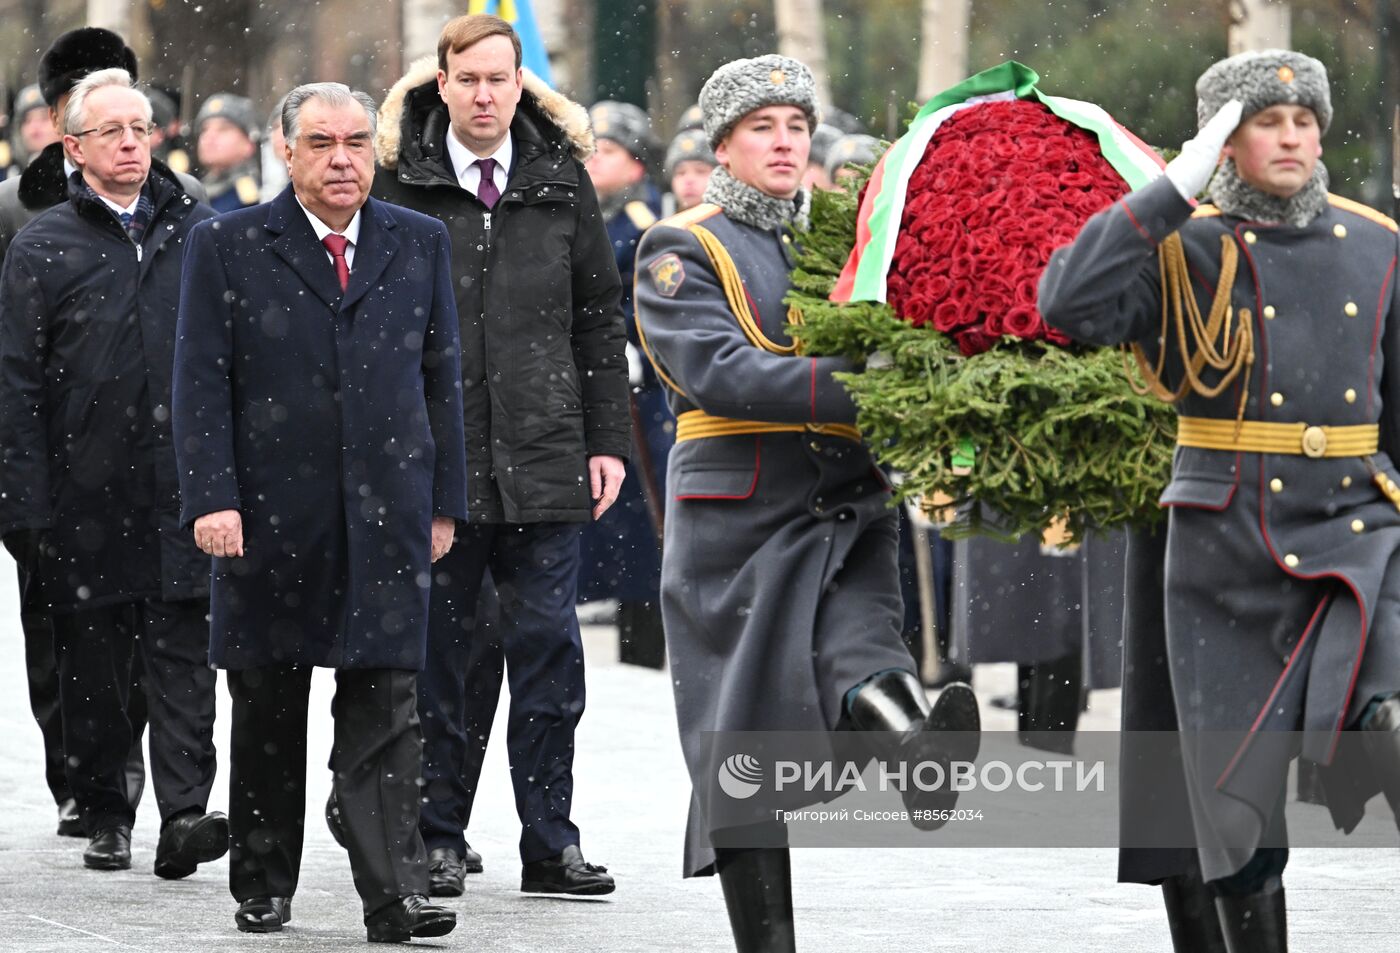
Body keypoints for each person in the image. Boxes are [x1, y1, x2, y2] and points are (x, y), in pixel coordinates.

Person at [1040, 49, 1400, 951]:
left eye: (1305, 121)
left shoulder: (1376, 242)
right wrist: (1170, 190)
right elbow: (1068, 303)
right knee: (1235, 808)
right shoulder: (1181, 247)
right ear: (1222, 143)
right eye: (1264, 123)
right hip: (1224, 546)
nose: (1291, 137)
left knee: (1388, 710)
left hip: (1357, 528)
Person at [633, 54, 981, 953]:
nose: (785, 144)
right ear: (724, 146)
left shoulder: (841, 236)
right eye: (763, 129)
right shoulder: (683, 243)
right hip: (739, 518)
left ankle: (916, 748)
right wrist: (866, 386)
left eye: (795, 127)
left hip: (845, 498)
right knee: (743, 739)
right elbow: (718, 370)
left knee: (863, 644)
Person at [173, 81, 467, 941]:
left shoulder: (419, 241)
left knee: (386, 703)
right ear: (286, 152)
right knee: (268, 700)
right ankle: (263, 880)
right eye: (321, 143)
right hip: (269, 515)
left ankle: (394, 892)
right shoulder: (226, 244)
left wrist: (444, 501)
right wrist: (212, 498)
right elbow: (199, 383)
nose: (343, 160)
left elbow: (439, 376)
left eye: (355, 143)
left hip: (389, 513)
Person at [371, 13, 629, 898]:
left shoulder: (562, 180)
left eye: (500, 79)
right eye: (469, 79)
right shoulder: (398, 184)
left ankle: (549, 841)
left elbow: (598, 316)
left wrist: (608, 440)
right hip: (441, 463)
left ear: (522, 85)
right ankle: (438, 833)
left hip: (550, 457)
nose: (486, 95)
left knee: (549, 653)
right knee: (447, 656)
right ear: (440, 84)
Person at [0, 68, 225, 877]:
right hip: (83, 494)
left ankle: (186, 813)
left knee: (185, 659)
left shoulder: (199, 229)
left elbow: (230, 360)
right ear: (75, 147)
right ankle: (105, 808)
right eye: (113, 132)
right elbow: (17, 382)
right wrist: (22, 504)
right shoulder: (43, 243)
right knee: (93, 665)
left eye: (143, 128)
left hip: (182, 489)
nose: (133, 143)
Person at [578, 99, 670, 666]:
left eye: (606, 152)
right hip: (595, 383)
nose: (593, 163)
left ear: (636, 166)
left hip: (643, 392)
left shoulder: (643, 226)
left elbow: (652, 305)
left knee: (645, 523)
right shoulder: (586, 218)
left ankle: (647, 645)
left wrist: (635, 350)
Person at [194, 93, 261, 212]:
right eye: (204, 129)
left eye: (223, 129)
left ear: (249, 144)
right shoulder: (193, 189)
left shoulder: (252, 200)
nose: (209, 136)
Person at [5, 84, 58, 177]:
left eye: (44, 117)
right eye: (27, 120)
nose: (34, 126)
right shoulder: (11, 176)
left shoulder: (80, 177)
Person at [664, 127, 715, 214]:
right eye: (680, 173)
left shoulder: (733, 225)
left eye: (700, 171)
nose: (689, 180)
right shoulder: (662, 224)